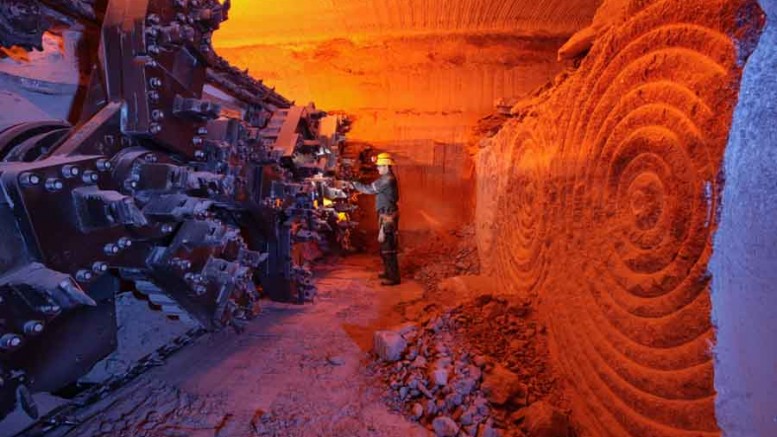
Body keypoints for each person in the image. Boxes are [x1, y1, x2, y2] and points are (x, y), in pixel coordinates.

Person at [350, 152, 400, 286]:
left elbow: (369, 189)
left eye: (379, 166)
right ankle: (388, 273)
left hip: (387, 216)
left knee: (388, 246)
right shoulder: (386, 178)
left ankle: (393, 278)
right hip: (385, 215)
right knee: (384, 245)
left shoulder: (387, 179)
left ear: (386, 166)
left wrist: (353, 183)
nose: (377, 168)